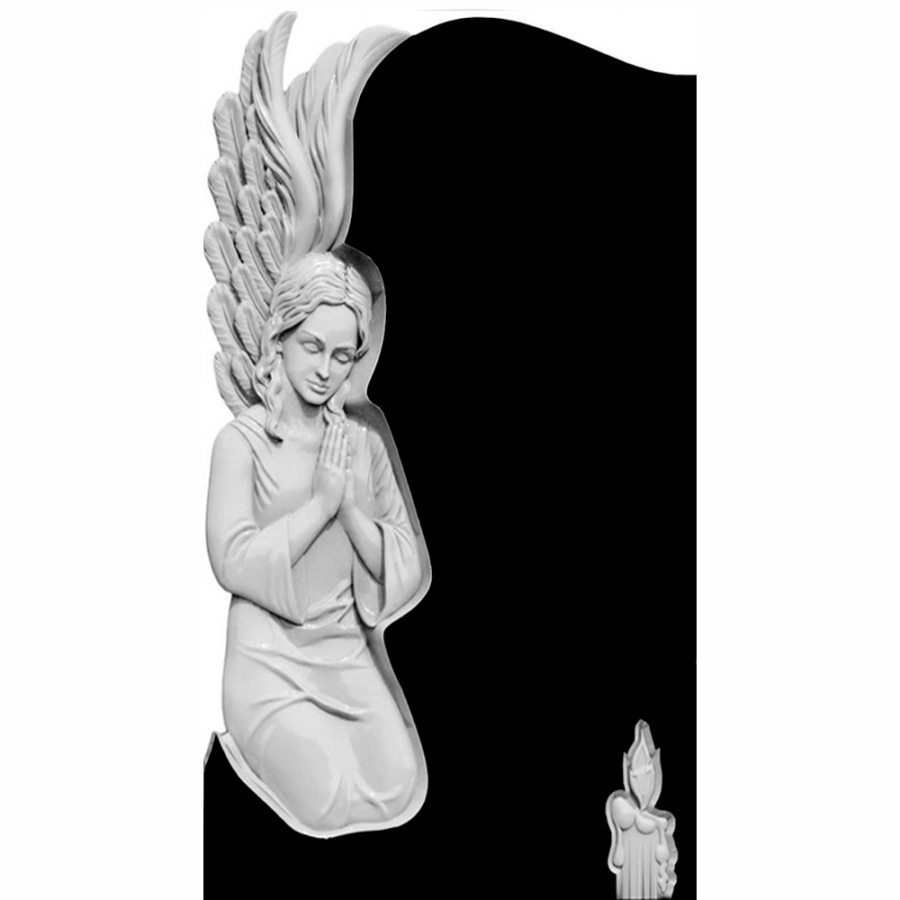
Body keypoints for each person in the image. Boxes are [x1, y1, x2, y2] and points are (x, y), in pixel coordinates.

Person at [206, 252, 426, 836]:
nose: (326, 369)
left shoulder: (363, 446)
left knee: (397, 784)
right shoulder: (242, 443)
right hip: (268, 662)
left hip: (345, 655)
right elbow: (232, 560)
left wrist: (350, 510)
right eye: (312, 347)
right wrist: (319, 507)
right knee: (325, 798)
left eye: (342, 355)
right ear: (279, 339)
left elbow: (405, 563)